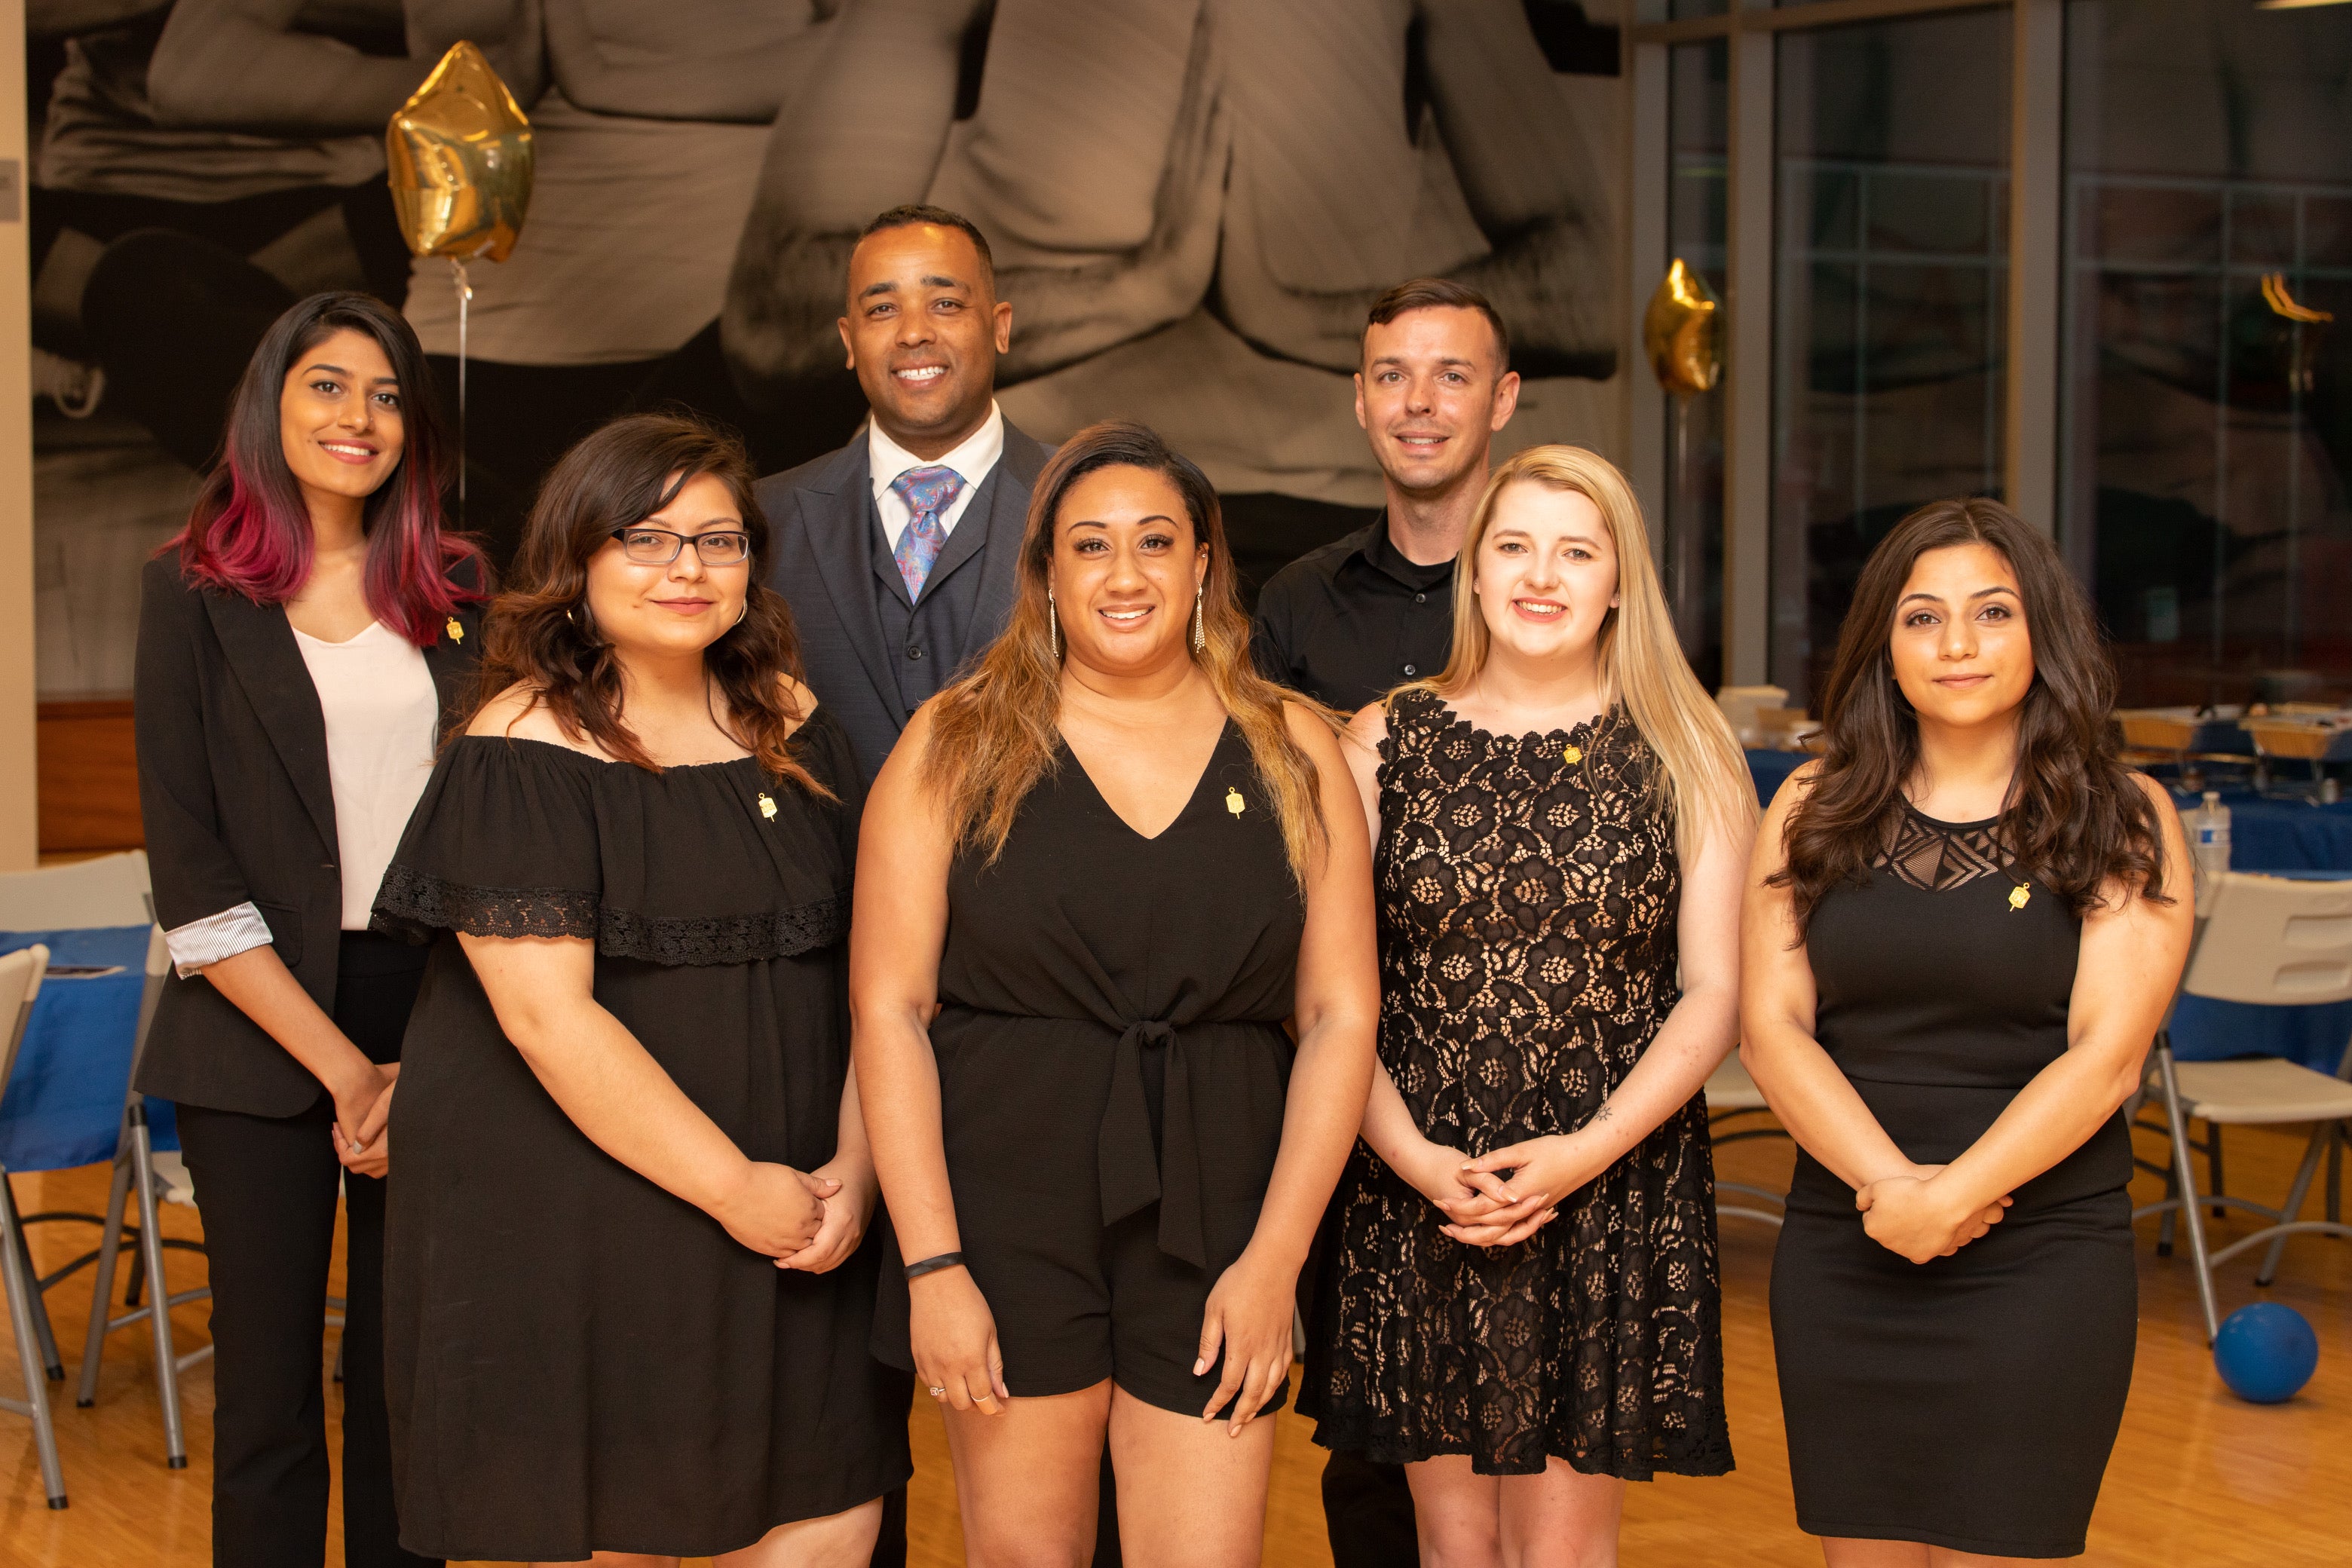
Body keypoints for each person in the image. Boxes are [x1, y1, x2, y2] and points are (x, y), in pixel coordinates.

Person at [369, 412, 909, 1566]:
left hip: (804, 1213)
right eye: (647, 538)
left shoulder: (796, 723)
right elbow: (546, 1019)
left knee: (823, 1513)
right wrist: (732, 1190)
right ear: (579, 556)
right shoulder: (520, 746)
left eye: (718, 542)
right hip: (583, 1223)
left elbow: (876, 972)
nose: (687, 569)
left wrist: (858, 1175)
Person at [853, 421, 1380, 1565]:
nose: (1126, 573)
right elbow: (890, 1012)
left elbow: (1341, 1016)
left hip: (1224, 1204)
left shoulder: (1294, 746)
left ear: (1204, 564)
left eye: (1156, 541)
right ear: (1045, 573)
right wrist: (935, 1268)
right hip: (1003, 1204)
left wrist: (1278, 1256)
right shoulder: (954, 743)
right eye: (1090, 546)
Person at [1300, 446, 1752, 1567]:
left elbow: (1717, 994)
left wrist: (1583, 1154)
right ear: (1475, 571)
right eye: (1513, 546)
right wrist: (1410, 1157)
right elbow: (1329, 993)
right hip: (1419, 1181)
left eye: (1575, 550)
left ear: (1617, 582)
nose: (1539, 575)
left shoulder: (1686, 750)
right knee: (1452, 1550)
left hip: (1607, 1186)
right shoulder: (1378, 742)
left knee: (1561, 1555)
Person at [1741, 498, 2192, 1564]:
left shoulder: (2123, 816)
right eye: (1922, 617)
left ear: (2043, 632)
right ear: (1881, 647)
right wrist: (1892, 1193)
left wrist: (1948, 1197)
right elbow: (1772, 1030)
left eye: (1991, 613)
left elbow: (2107, 1059)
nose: (1955, 644)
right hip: (1849, 1248)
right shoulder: (1811, 804)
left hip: (2040, 1266)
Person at [133, 290, 485, 1568]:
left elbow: (498, 823)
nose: (361, 417)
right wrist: (346, 1070)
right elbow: (191, 869)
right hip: (257, 1023)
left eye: (387, 395)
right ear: (270, 405)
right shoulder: (190, 596)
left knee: (413, 1394)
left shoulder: (457, 592)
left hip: (441, 1016)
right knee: (270, 1397)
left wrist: (422, 1055)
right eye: (329, 386)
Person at [757, 204, 1055, 786]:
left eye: (945, 303)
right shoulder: (764, 519)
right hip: (824, 871)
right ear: (849, 339)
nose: (914, 332)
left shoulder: (1084, 502)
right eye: (882, 309)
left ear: (1000, 326)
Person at [1251, 277, 1523, 715]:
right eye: (1393, 376)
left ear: (1502, 400)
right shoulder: (1296, 601)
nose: (1419, 402)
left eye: (1451, 376)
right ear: (1362, 399)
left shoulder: (1545, 597)